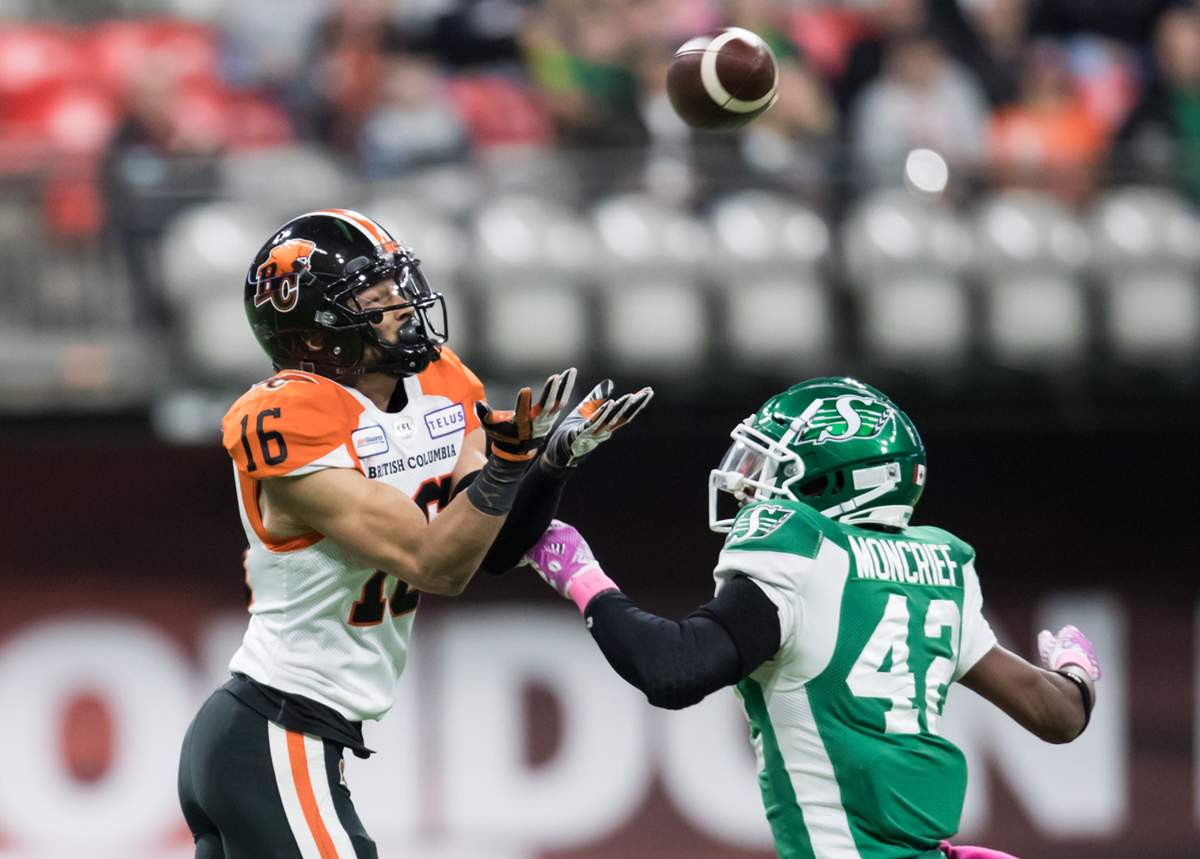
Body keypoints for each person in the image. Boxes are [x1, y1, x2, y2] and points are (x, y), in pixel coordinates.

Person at [176, 207, 652, 858]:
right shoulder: (288, 414)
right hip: (275, 726)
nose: (404, 307)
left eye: (400, 287)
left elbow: (490, 546)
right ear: (317, 332)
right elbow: (435, 563)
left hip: (296, 734)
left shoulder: (440, 382)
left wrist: (550, 464)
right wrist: (507, 466)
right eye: (377, 298)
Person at [524, 377, 1100, 859]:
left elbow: (673, 668)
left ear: (835, 481)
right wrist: (1075, 669)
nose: (755, 486)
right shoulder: (941, 564)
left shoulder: (804, 553)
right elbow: (1059, 714)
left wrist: (581, 576)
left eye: (778, 469)